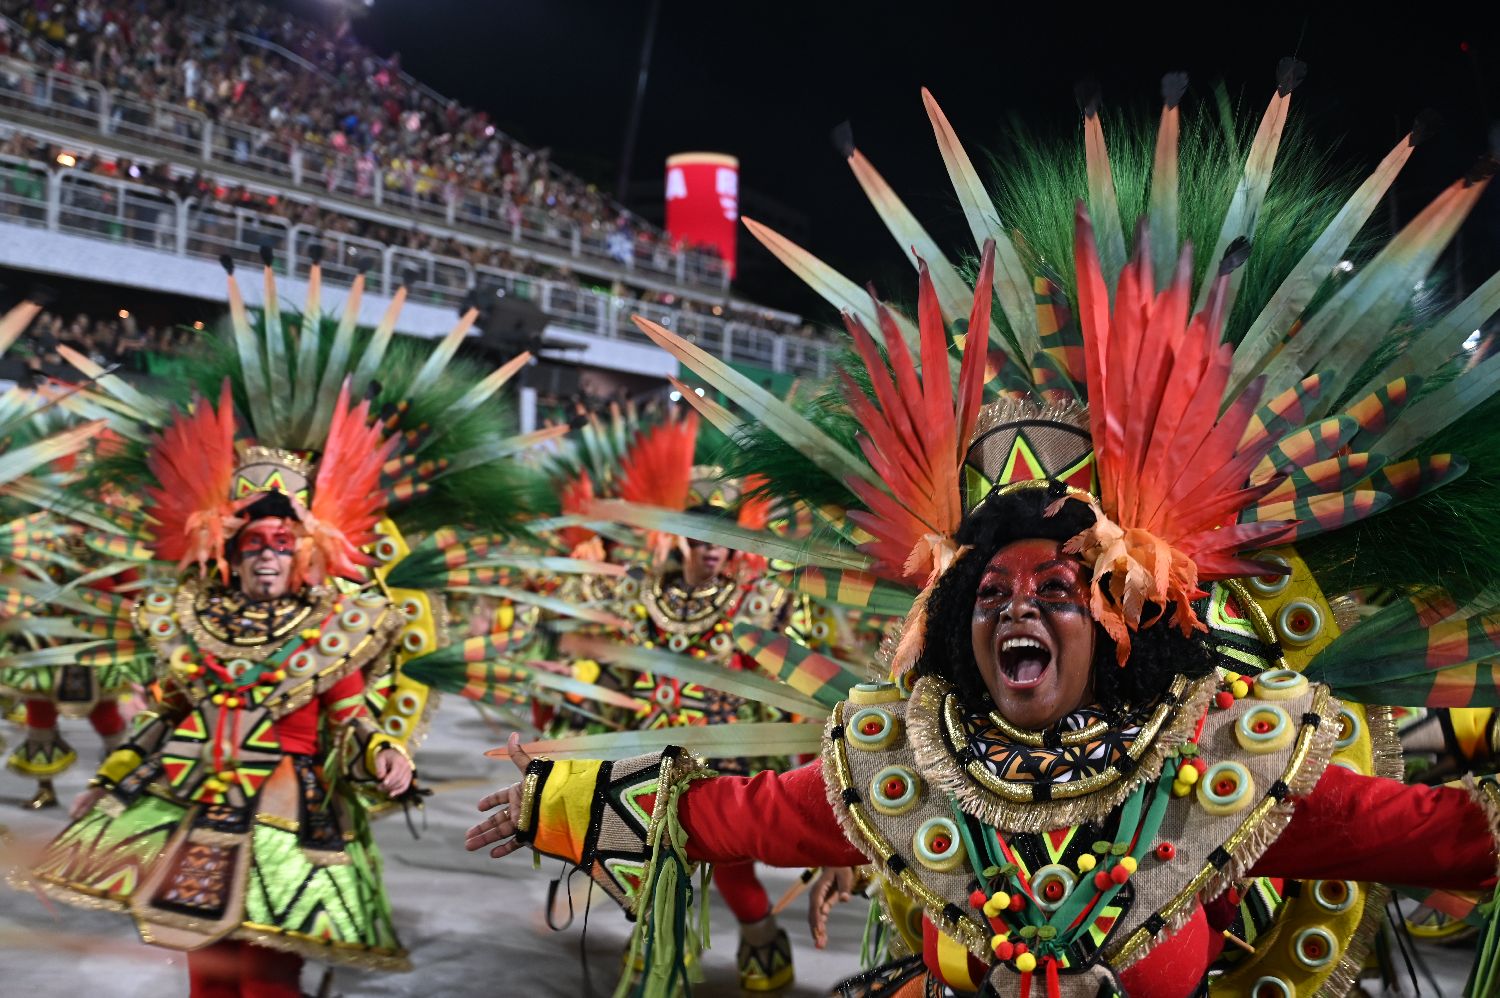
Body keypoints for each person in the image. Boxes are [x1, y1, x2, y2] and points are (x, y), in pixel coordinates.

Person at [465, 71, 1500, 997]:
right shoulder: (910, 763)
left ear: (1119, 615)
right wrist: (564, 802)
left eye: (1056, 590)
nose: (1016, 608)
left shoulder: (1223, 767)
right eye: (990, 592)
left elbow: (1431, 836)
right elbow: (741, 815)